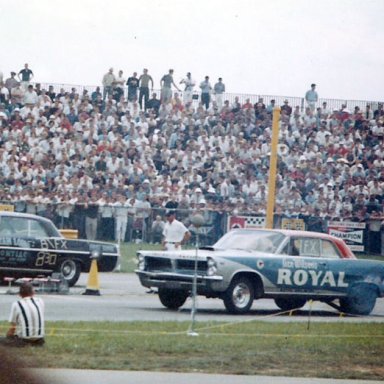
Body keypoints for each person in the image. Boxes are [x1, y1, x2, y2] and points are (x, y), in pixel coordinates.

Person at [0, 281, 45, 347]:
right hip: (40, 340)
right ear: (33, 292)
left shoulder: (17, 304)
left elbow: (13, 327)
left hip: (24, 340)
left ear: (20, 294)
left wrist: (8, 337)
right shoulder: (40, 301)